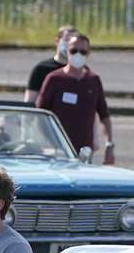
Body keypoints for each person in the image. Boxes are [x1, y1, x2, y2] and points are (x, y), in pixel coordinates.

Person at [35, 32, 114, 163]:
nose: (78, 54)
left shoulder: (93, 80)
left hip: (85, 151)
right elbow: (40, 114)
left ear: (88, 54)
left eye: (83, 52)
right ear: (67, 51)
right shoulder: (54, 79)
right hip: (58, 150)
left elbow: (104, 115)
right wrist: (49, 140)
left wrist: (109, 145)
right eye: (74, 50)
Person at [24, 25, 78, 103]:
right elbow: (29, 102)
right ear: (57, 41)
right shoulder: (41, 69)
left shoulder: (82, 71)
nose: (70, 44)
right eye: (67, 40)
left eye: (73, 41)